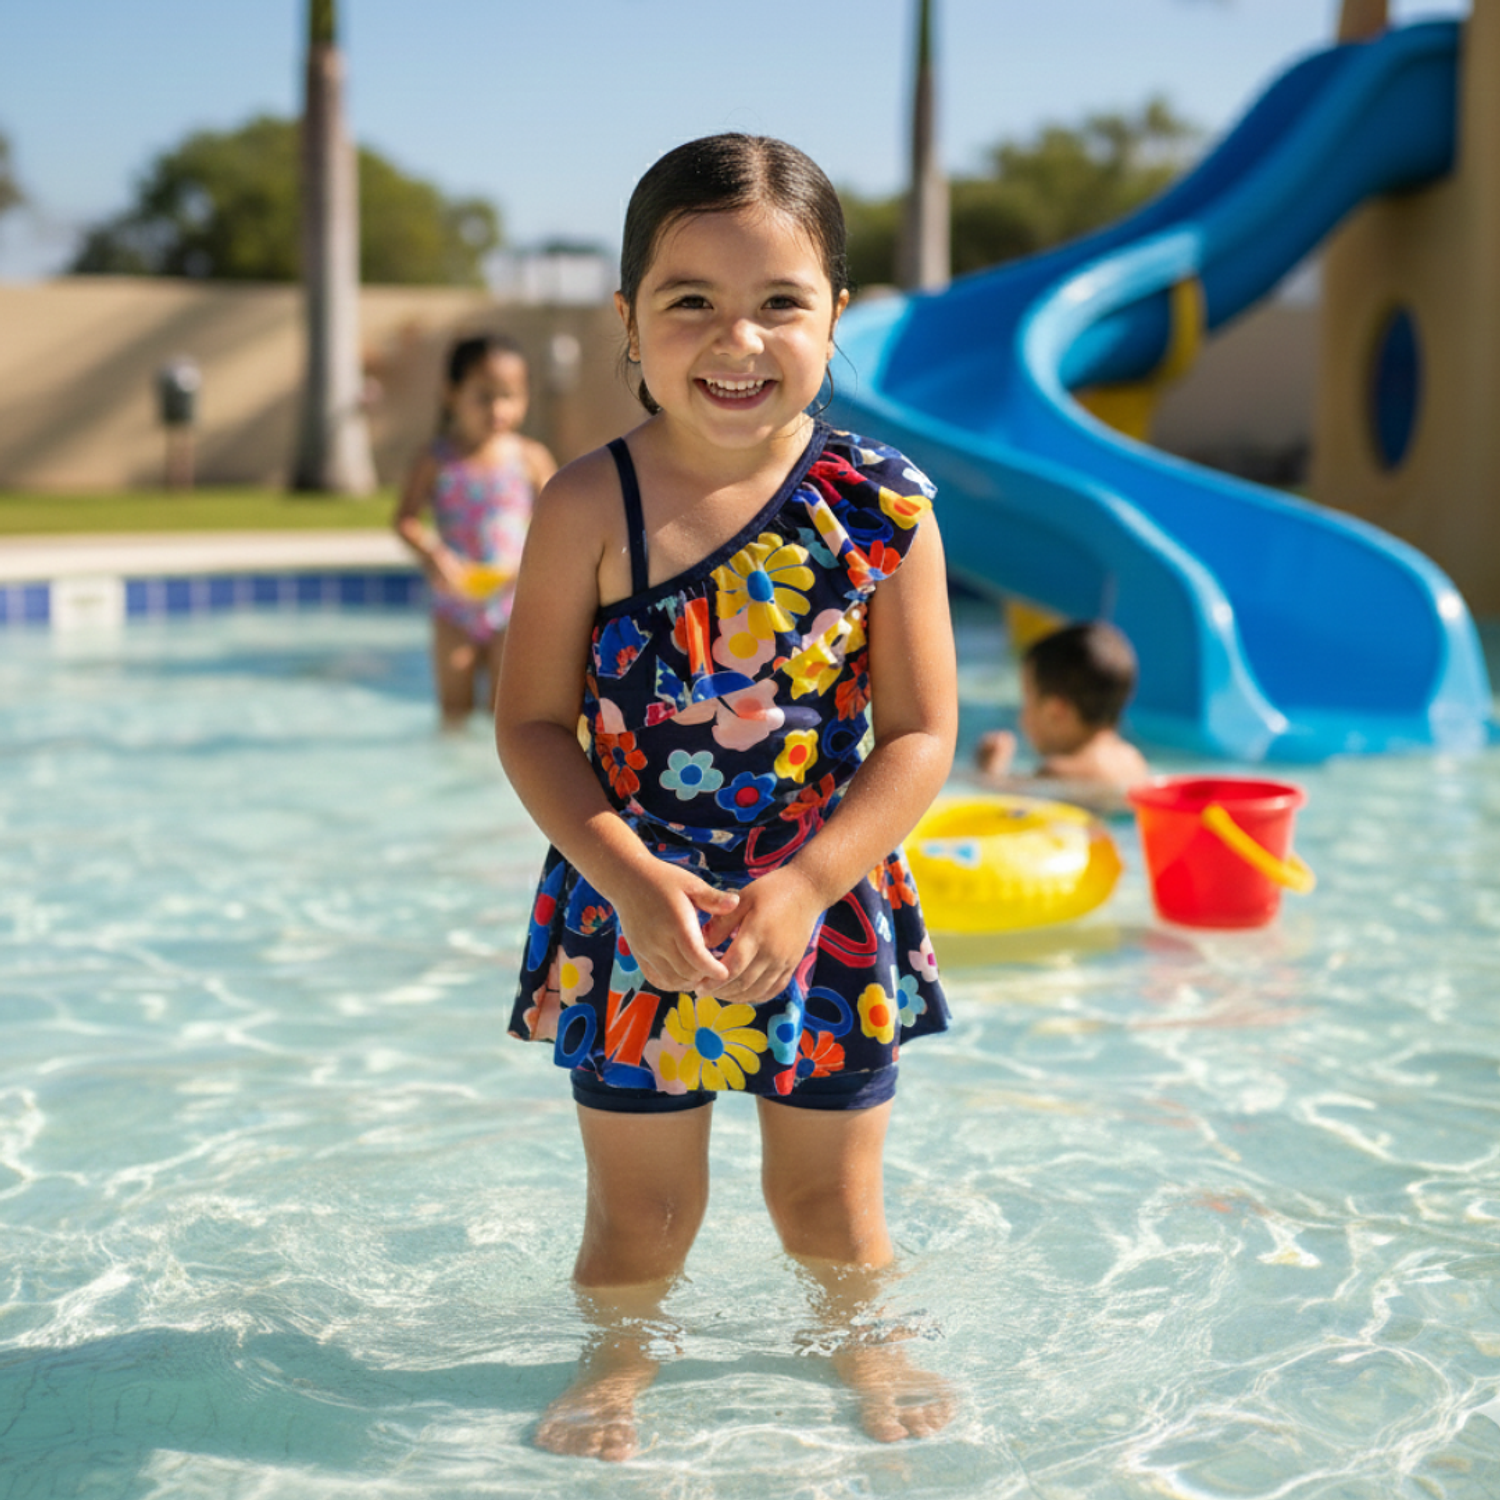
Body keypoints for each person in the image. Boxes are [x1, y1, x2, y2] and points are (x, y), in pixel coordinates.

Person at [495, 134, 959, 1460]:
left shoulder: (883, 509)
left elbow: (924, 733)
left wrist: (809, 884)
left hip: (825, 907)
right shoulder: (590, 504)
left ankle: (867, 1349)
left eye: (780, 303)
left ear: (835, 321)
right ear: (629, 320)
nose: (735, 337)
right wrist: (636, 886)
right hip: (632, 909)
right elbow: (531, 725)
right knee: (637, 1219)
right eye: (690, 299)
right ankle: (619, 1367)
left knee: (832, 1210)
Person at [394, 334, 557, 726]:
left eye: (510, 396)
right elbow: (406, 520)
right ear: (452, 394)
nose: (498, 408)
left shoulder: (530, 458)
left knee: (506, 713)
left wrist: (534, 568)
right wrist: (434, 555)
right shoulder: (435, 459)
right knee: (454, 711)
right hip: (454, 601)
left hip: (512, 599)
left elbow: (558, 523)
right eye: (484, 396)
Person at [976, 619, 1150, 813]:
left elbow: (1004, 806)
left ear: (1056, 710)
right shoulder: (1133, 760)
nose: (1021, 717)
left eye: (1027, 700)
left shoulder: (1058, 771)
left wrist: (990, 772)